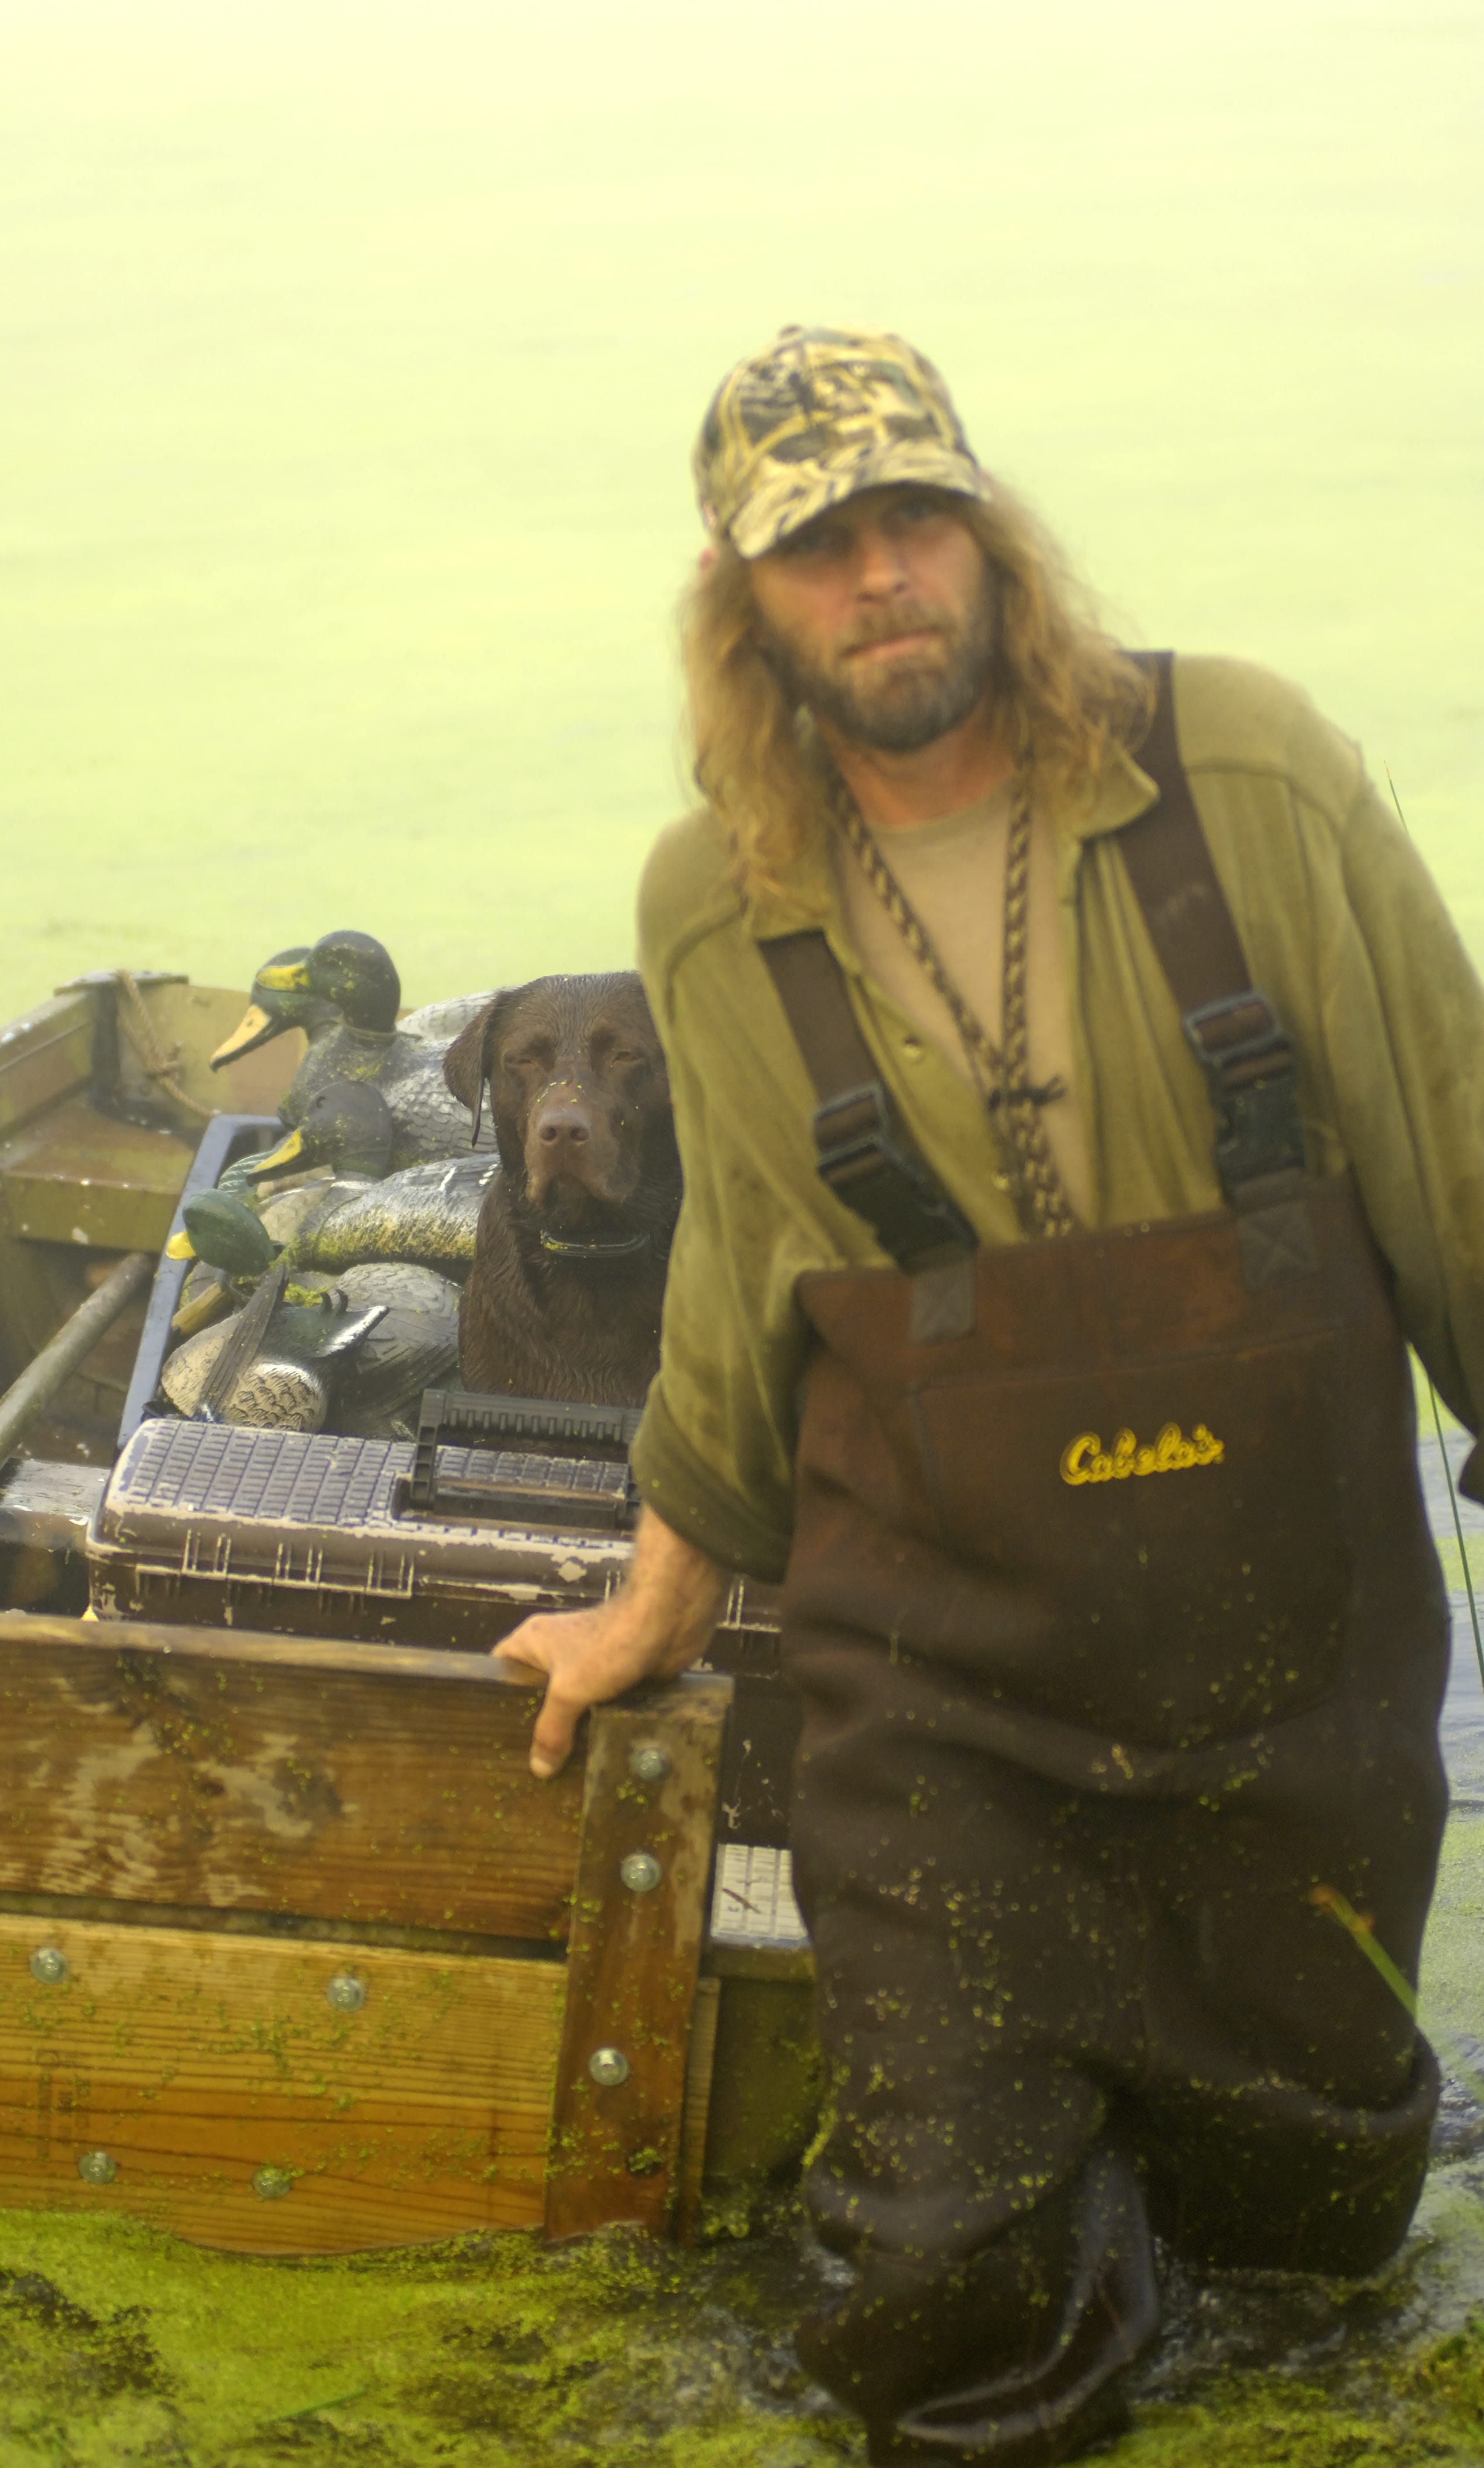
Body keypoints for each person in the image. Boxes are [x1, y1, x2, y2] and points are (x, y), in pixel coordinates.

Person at [494, 325, 1484, 2463]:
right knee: (949, 2267)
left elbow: (1453, 1144)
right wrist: (657, 1599)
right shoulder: (714, 906)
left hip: (1288, 1667)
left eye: (912, 517)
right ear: (742, 601)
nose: (881, 576)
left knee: (1308, 2240)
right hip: (940, 1680)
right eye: (817, 544)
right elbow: (744, 1275)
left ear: (991, 533)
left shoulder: (1251, 773)